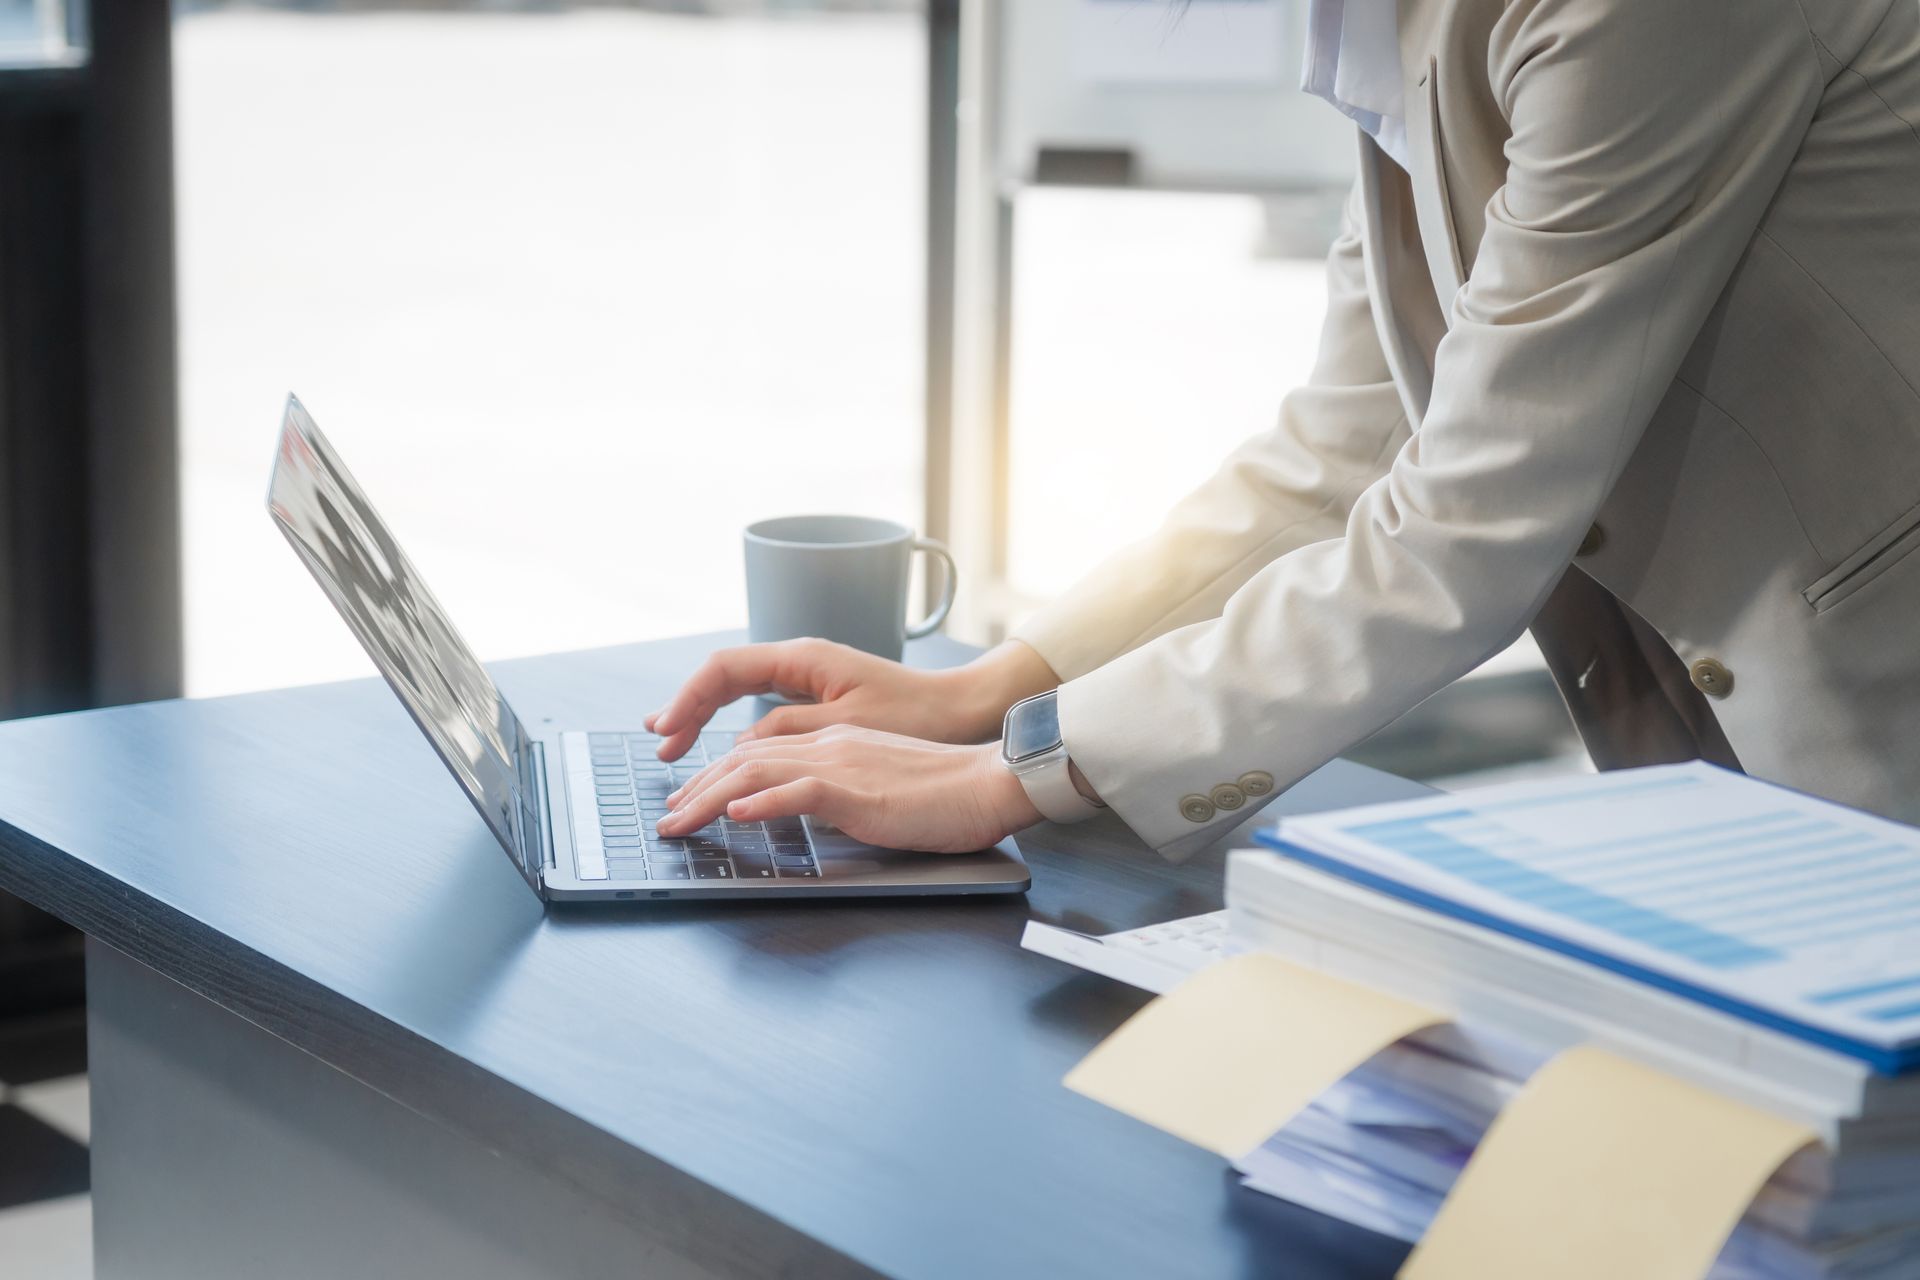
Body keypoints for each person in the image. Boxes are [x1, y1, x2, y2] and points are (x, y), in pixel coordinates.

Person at [651, 0, 1920, 859]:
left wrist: (1011, 776)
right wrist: (987, 695)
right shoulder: (1383, 26)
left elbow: (1464, 531)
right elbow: (1343, 451)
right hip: (1746, 753)